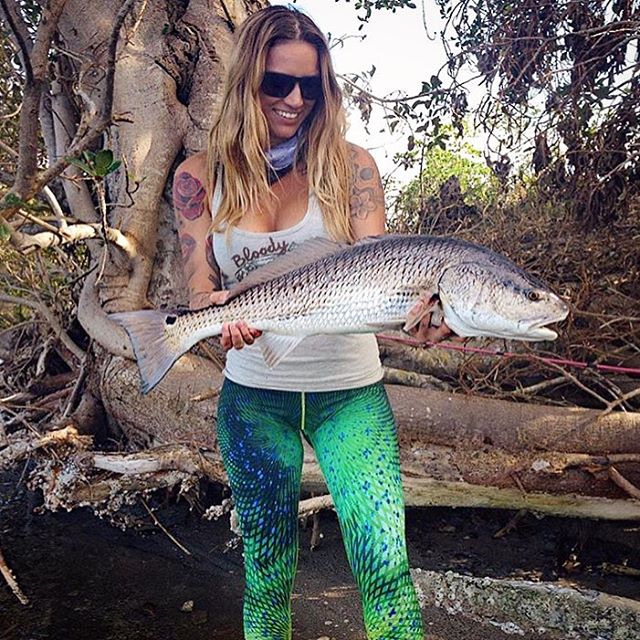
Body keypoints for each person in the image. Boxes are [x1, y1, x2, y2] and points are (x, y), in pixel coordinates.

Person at [172, 6, 451, 639]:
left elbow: (386, 277)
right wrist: (215, 316)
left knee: (385, 567)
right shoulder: (198, 178)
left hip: (348, 394)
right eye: (278, 83)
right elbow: (200, 289)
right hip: (254, 398)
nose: (295, 100)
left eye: (310, 85)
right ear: (247, 81)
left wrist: (424, 318)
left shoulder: (353, 168)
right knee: (267, 575)